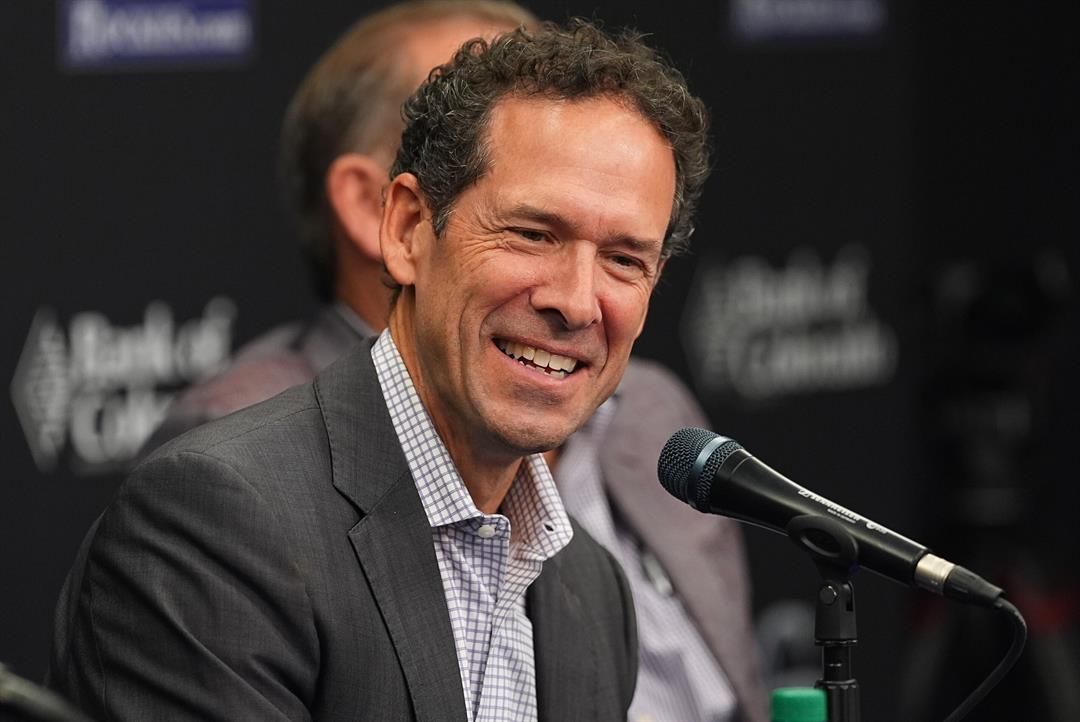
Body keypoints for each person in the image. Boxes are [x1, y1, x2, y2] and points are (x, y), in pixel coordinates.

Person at [144, 3, 767, 721]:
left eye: (625, 259)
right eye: (532, 233)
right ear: (408, 228)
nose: (577, 302)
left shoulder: (591, 589)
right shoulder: (223, 516)